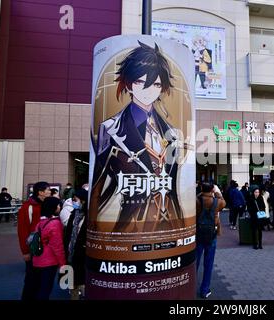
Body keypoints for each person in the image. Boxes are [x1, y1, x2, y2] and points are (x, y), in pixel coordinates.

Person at [89, 41, 188, 232]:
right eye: (140, 82)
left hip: (169, 226)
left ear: (162, 88)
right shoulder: (110, 129)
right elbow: (97, 188)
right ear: (128, 84)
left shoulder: (172, 134)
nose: (148, 90)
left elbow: (173, 189)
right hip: (131, 225)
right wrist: (95, 230)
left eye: (156, 84)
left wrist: (182, 228)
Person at [17, 181, 51, 300]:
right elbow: (22, 231)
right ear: (40, 192)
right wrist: (25, 251)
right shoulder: (28, 207)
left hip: (45, 250)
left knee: (42, 279)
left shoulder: (45, 205)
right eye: (48, 190)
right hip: (33, 249)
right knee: (31, 279)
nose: (50, 192)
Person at [32, 197, 66, 300]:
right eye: (59, 205)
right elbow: (57, 246)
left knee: (38, 288)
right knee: (46, 289)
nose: (60, 207)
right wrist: (63, 264)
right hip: (49, 262)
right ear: (54, 207)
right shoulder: (55, 223)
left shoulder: (40, 222)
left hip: (37, 259)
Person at [196, 183, 225, 299]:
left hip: (199, 234)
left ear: (202, 189)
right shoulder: (217, 202)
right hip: (212, 234)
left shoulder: (197, 200)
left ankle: (189, 286)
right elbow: (223, 202)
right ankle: (204, 290)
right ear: (212, 189)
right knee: (208, 264)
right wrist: (217, 192)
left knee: (195, 262)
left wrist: (201, 192)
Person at [64, 188, 88, 299]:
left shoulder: (89, 215)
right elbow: (68, 231)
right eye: (73, 199)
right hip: (70, 251)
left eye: (75, 199)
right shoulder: (74, 213)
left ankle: (82, 293)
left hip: (82, 252)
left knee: (82, 279)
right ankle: (73, 295)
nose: (73, 201)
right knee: (71, 280)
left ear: (83, 200)